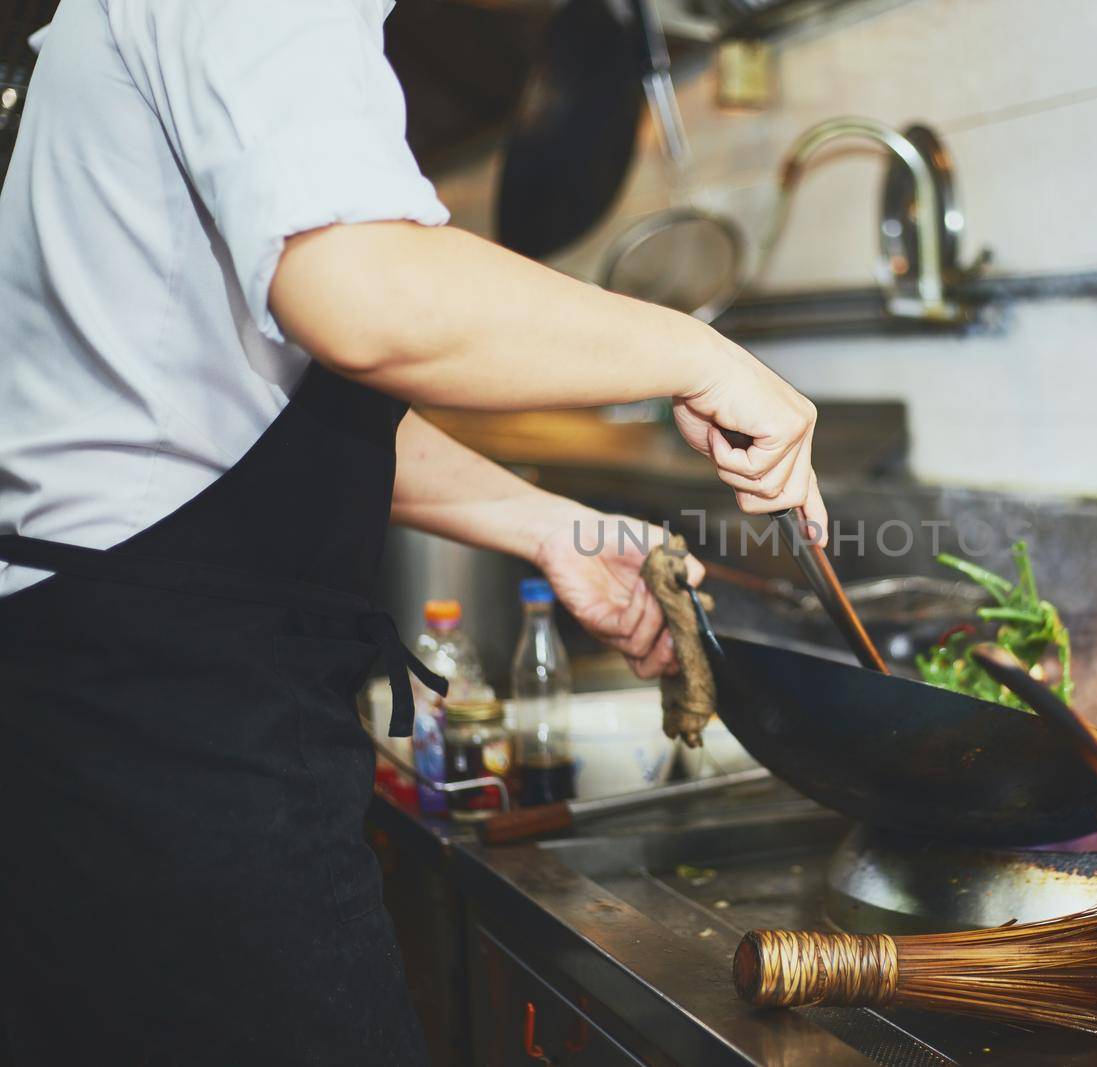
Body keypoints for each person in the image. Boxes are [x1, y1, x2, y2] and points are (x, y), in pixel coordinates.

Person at [0, 1, 826, 1063]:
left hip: (108, 693)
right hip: (167, 724)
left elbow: (234, 407)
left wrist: (547, 525)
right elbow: (363, 294)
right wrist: (703, 355)